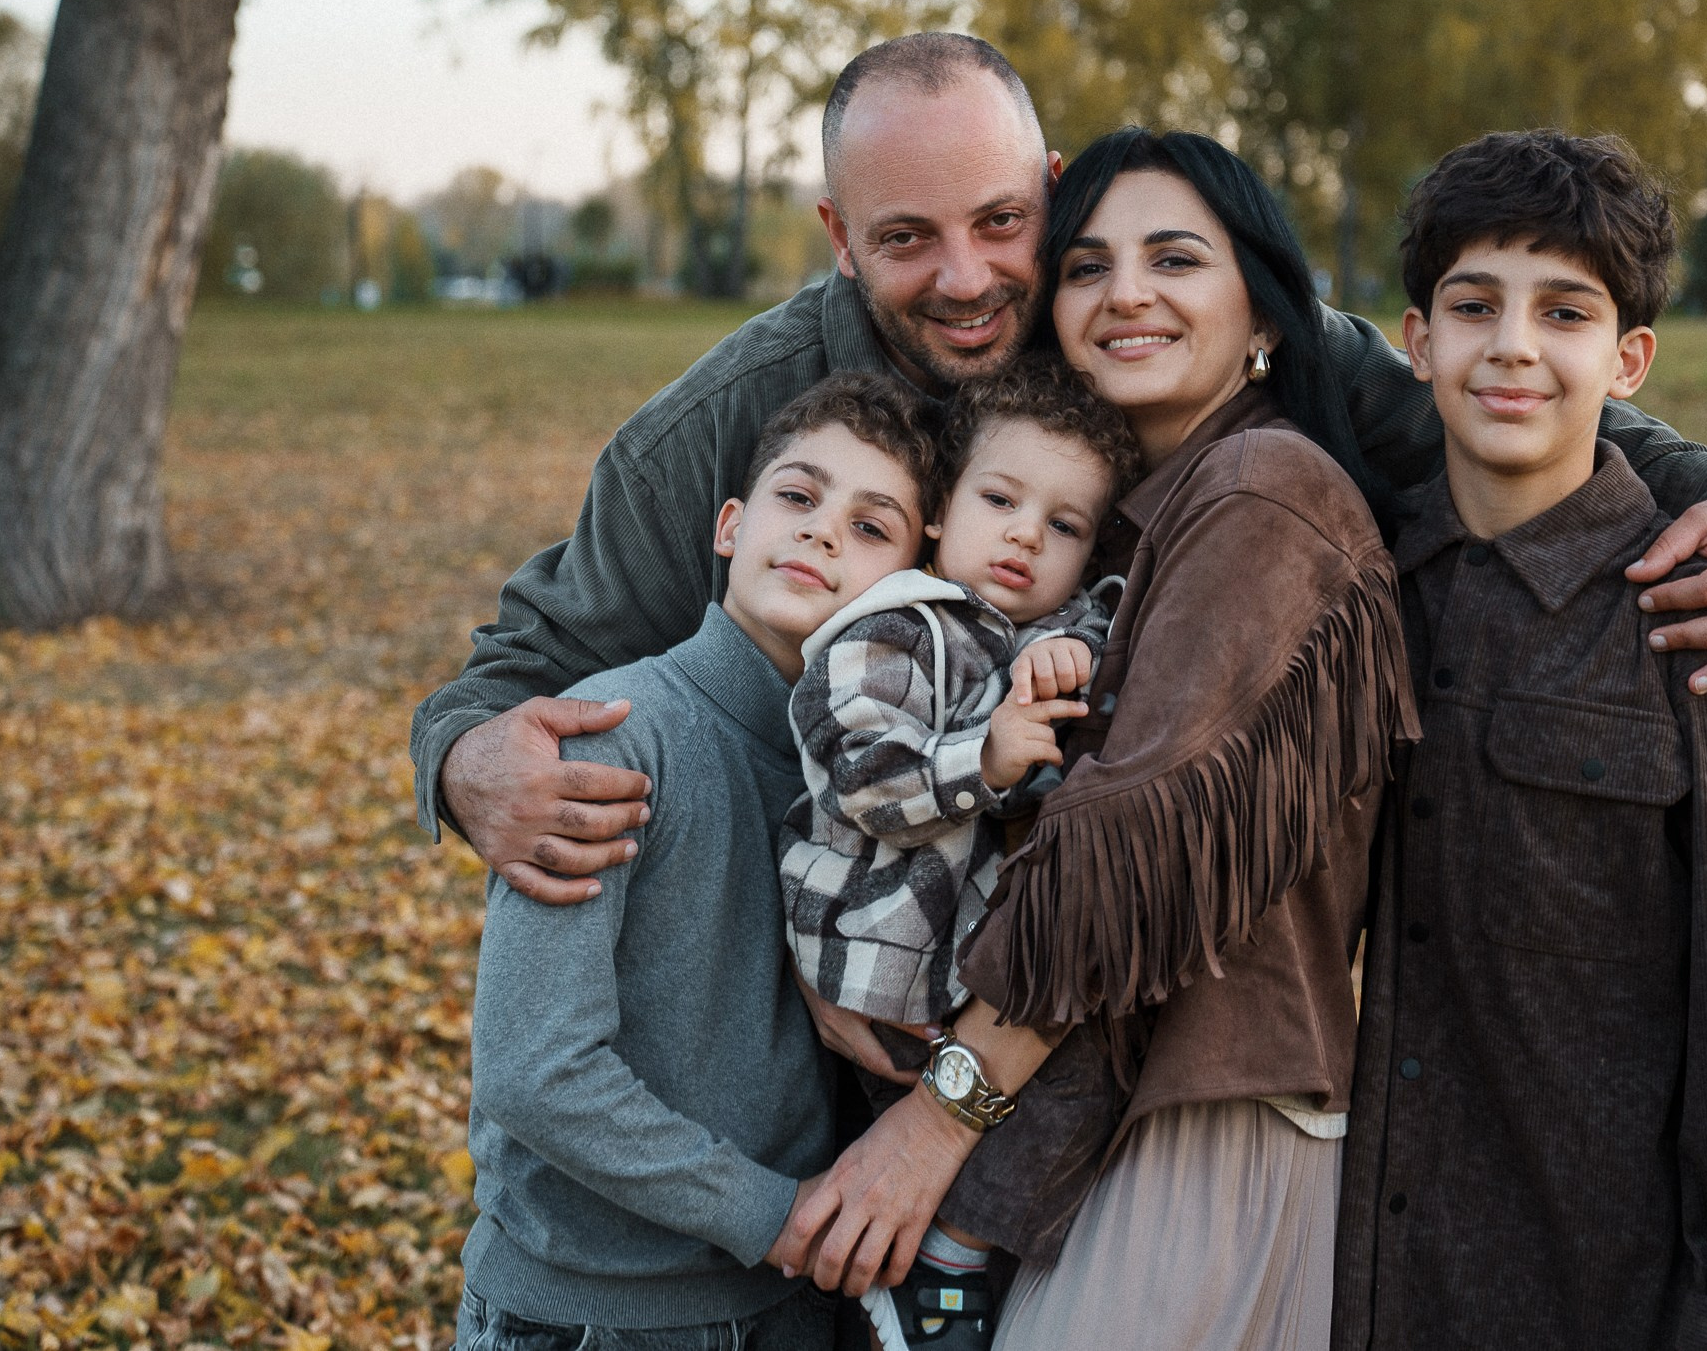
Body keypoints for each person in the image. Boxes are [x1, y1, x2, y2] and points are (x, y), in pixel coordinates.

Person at [408, 33, 1707, 921]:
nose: (965, 277)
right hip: (818, 947)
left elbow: (1468, 385)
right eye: (905, 238)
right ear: (838, 235)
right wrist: (469, 763)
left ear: (1051, 186)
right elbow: (517, 663)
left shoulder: (1136, 323)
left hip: (1107, 958)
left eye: (1003, 221)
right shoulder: (721, 425)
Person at [768, 130, 1417, 1351]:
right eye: (1087, 268)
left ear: (1265, 314)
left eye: (1174, 258)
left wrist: (938, 1118)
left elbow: (1125, 854)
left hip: (1200, 1114)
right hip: (1095, 1120)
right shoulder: (1105, 529)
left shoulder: (1261, 492)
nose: (1124, 293)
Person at [1331, 131, 1707, 1351]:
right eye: (1474, 305)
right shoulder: (1355, 593)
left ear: (1627, 360)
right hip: (1352, 1268)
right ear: (1416, 342)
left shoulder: (1695, 623)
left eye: (1562, 312)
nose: (1512, 344)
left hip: (1593, 1282)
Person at [457, 374, 946, 1351]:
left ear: (910, 584)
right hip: (594, 1316)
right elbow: (533, 1068)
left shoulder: (897, 780)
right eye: (798, 498)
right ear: (730, 525)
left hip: (796, 1310)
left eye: (868, 525)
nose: (819, 533)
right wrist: (772, 1213)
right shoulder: (619, 741)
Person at [778, 358, 1143, 1349]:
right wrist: (978, 757)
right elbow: (861, 773)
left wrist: (1076, 644)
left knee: (1079, 1079)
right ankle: (941, 1259)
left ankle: (949, 1255)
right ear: (939, 513)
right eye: (1000, 499)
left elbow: (1096, 643)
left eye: (1064, 525)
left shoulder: (1037, 634)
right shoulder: (895, 624)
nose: (1027, 533)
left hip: (955, 967)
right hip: (870, 951)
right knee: (1039, 1091)